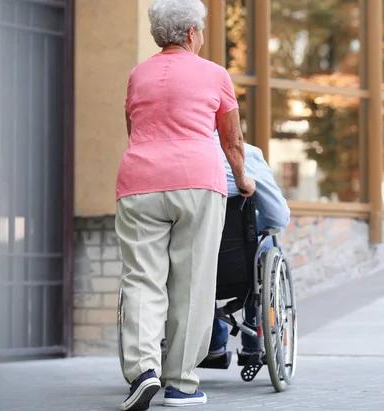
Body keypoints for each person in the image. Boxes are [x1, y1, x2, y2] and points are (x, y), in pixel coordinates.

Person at [115, 0, 255, 409]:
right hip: (196, 181)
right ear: (193, 32)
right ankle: (181, 384)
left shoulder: (138, 74)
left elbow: (132, 129)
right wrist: (243, 180)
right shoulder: (215, 74)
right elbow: (232, 140)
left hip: (139, 180)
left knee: (141, 278)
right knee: (192, 282)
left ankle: (143, 370)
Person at [203, 130, 290, 366]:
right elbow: (278, 218)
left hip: (194, 263)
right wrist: (250, 226)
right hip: (238, 265)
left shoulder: (174, 157)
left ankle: (211, 343)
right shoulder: (247, 155)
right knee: (268, 249)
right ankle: (255, 344)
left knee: (196, 256)